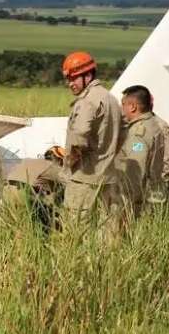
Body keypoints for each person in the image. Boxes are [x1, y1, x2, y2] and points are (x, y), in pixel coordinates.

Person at [62, 51, 123, 225]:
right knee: (105, 234)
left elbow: (79, 137)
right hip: (108, 178)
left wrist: (69, 165)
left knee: (76, 233)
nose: (70, 84)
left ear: (87, 75)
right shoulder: (111, 99)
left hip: (84, 179)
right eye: (68, 79)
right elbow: (122, 135)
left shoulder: (87, 101)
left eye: (74, 78)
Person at [116, 85, 166, 218]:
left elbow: (135, 172)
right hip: (154, 195)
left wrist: (126, 202)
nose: (122, 109)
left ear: (132, 107)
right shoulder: (154, 125)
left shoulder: (138, 134)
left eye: (123, 105)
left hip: (139, 203)